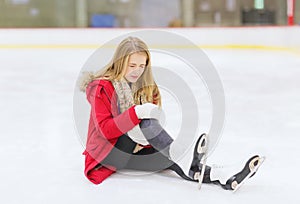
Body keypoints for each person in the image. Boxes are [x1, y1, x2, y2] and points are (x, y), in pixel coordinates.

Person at [79, 36, 264, 190]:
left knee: (169, 160)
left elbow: (153, 122)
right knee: (151, 128)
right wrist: (137, 112)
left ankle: (223, 176)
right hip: (108, 154)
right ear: (120, 62)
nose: (137, 71)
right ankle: (183, 157)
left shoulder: (144, 86)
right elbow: (106, 130)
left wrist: (143, 127)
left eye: (142, 66)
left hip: (135, 149)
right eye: (132, 65)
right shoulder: (102, 88)